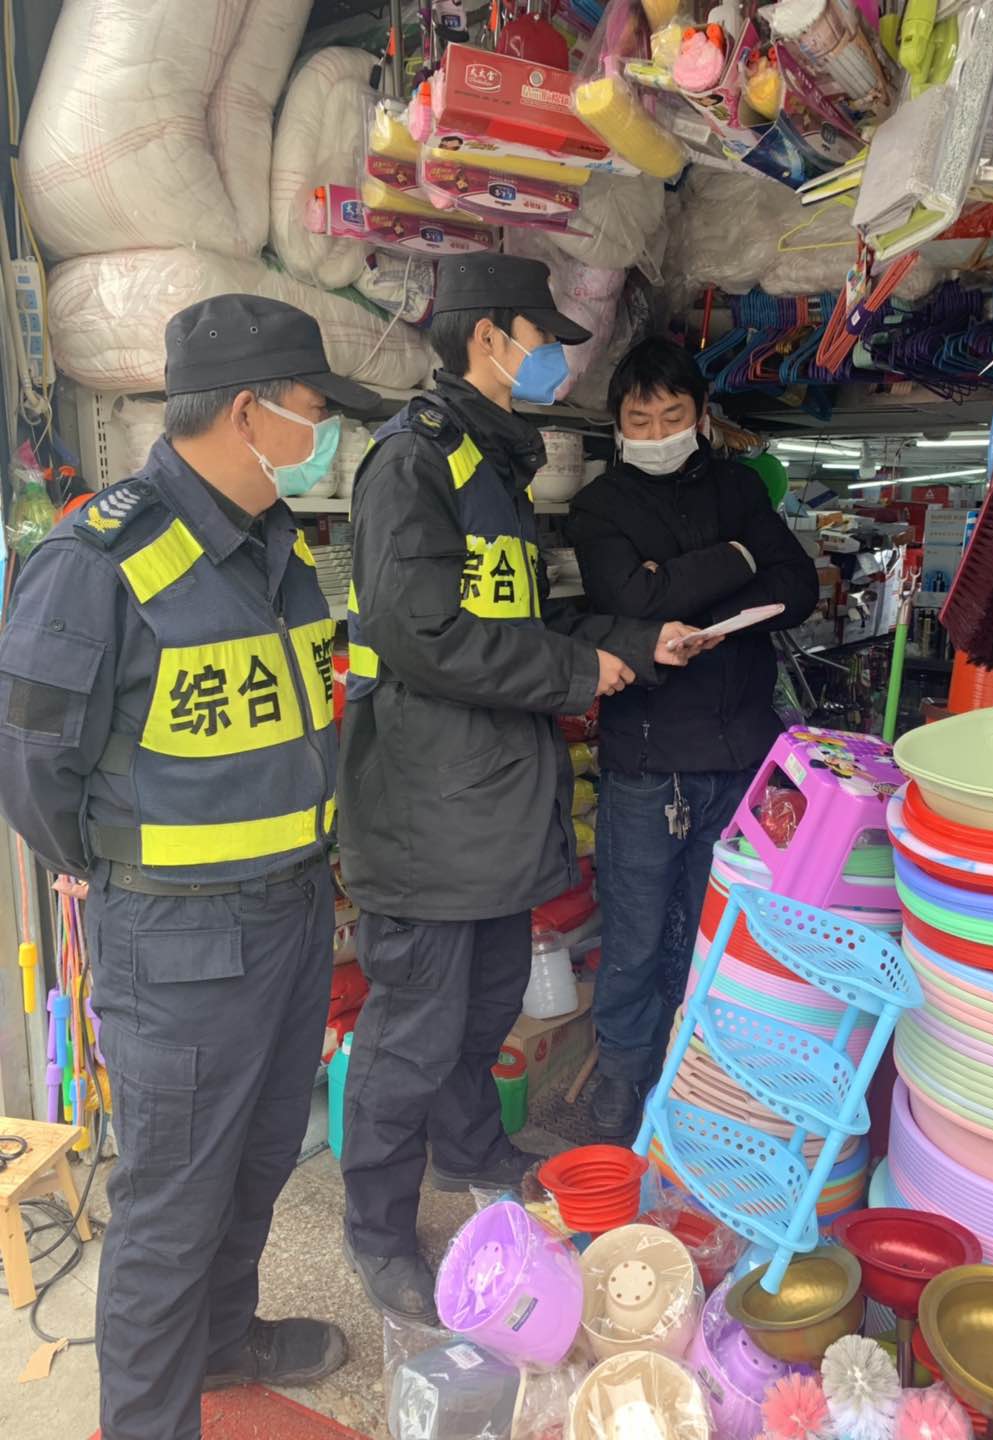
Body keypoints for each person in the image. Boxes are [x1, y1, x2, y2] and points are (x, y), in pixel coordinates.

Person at [0, 295, 375, 1440]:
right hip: (178, 943)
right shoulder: (96, 560)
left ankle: (224, 1338)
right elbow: (32, 768)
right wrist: (119, 870)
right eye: (315, 411)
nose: (327, 436)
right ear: (250, 412)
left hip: (292, 914)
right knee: (170, 1206)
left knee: (258, 1160)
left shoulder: (279, 546)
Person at [337, 255, 712, 1322]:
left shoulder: (491, 464)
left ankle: (470, 1151)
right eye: (543, 336)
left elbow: (527, 626)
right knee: (411, 1033)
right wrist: (573, 672)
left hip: (493, 802)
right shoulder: (413, 463)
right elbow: (422, 635)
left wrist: (632, 642)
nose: (558, 357)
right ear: (489, 338)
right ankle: (377, 1229)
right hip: (429, 808)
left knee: (482, 1005)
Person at [567, 336, 819, 1137]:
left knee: (723, 932)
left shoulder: (739, 487)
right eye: (639, 420)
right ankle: (621, 1081)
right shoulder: (599, 506)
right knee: (636, 934)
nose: (657, 432)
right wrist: (739, 559)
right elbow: (631, 600)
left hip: (744, 758)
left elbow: (798, 586)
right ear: (617, 424)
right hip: (647, 762)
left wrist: (683, 594)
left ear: (701, 415)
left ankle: (695, 1077)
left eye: (672, 415)